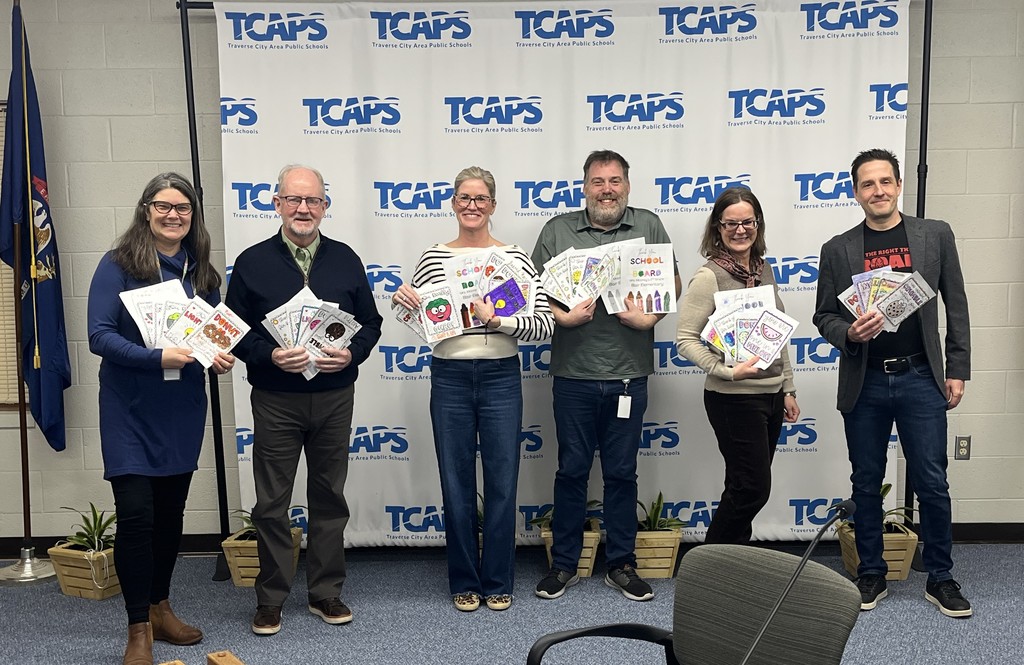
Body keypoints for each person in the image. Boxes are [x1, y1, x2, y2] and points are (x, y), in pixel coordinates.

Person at [225, 165, 383, 635]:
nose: (303, 209)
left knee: (329, 496)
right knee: (272, 503)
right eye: (293, 200)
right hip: (276, 398)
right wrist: (270, 354)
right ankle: (271, 597)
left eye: (313, 201)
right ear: (276, 204)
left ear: (325, 206)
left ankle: (326, 592)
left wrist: (351, 354)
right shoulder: (252, 262)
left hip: (335, 396)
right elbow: (232, 332)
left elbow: (371, 323)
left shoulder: (346, 259)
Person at [813, 148, 971, 617]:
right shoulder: (837, 248)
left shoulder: (934, 235)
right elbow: (823, 315)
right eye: (867, 184)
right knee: (865, 482)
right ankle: (871, 573)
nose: (877, 191)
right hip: (866, 383)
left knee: (932, 481)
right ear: (855, 192)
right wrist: (848, 333)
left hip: (922, 376)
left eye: (885, 182)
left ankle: (940, 576)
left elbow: (956, 304)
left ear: (898, 185)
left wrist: (957, 368)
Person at [88, 172, 234, 665]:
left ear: (193, 216)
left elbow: (213, 336)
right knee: (136, 516)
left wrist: (219, 354)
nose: (174, 215)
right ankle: (136, 630)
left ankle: (160, 608)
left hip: (181, 410)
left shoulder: (203, 274)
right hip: (130, 411)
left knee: (171, 516)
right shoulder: (118, 265)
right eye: (163, 206)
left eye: (184, 208)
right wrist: (158, 358)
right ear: (146, 209)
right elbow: (99, 336)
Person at [392, 166, 554, 613]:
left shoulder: (516, 258)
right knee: (455, 480)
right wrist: (404, 305)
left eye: (481, 198)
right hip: (450, 376)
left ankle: (498, 578)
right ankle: (464, 579)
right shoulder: (433, 257)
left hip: (502, 373)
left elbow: (542, 325)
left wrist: (497, 320)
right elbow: (425, 323)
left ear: (494, 205)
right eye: (464, 197)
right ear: (453, 203)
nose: (472, 205)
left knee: (503, 480)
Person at [530, 149, 681, 602]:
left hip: (628, 375)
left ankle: (621, 564)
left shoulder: (649, 224)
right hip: (573, 374)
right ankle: (565, 566)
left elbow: (670, 281)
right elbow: (533, 292)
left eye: (615, 181)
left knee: (621, 472)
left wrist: (651, 320)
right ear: (585, 187)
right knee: (572, 469)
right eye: (598, 182)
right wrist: (562, 317)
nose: (607, 189)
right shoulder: (558, 230)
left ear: (628, 186)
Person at [675, 187, 800, 545]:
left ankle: (733, 562)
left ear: (757, 225)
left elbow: (777, 334)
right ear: (717, 228)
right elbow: (685, 340)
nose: (740, 229)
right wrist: (727, 371)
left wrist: (787, 387)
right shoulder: (709, 277)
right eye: (731, 223)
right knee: (751, 489)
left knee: (742, 487)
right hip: (733, 399)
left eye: (748, 222)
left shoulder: (764, 269)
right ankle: (709, 565)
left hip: (772, 396)